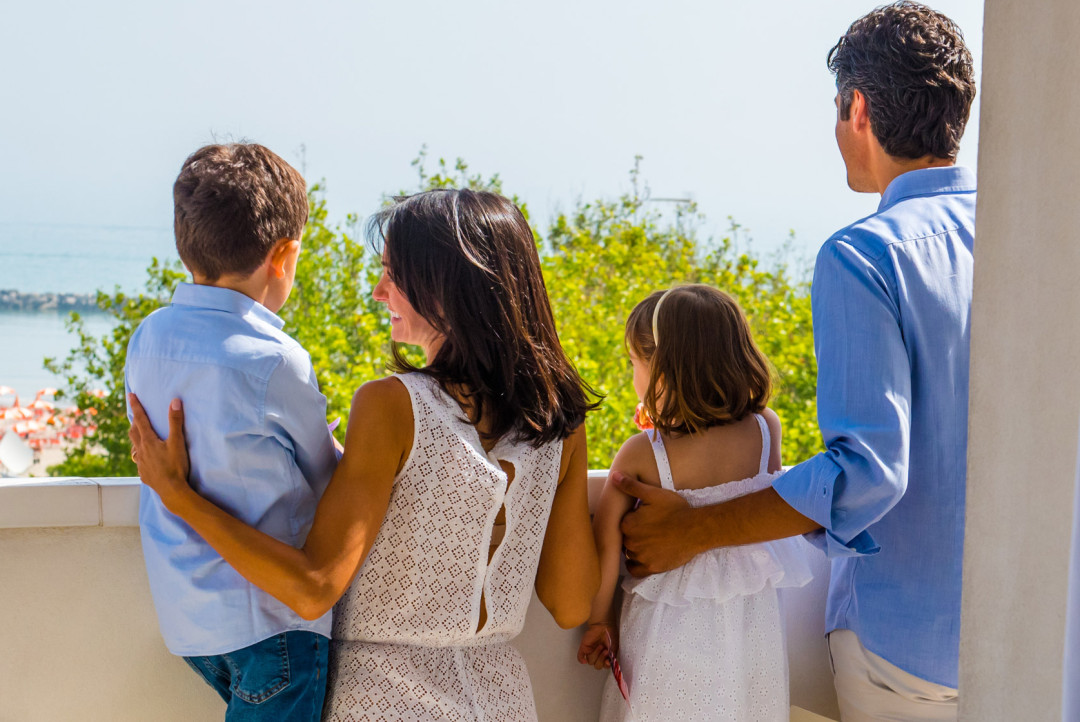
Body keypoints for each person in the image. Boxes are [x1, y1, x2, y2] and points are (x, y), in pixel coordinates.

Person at [613, 3, 977, 720]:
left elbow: (869, 470)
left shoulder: (867, 255)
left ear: (858, 108)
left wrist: (699, 527)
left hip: (909, 655)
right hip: (1038, 633)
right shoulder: (1042, 241)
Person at [128, 188, 601, 721]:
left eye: (392, 275)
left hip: (383, 699)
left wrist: (179, 496)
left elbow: (312, 590)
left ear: (444, 287)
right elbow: (571, 604)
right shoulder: (562, 424)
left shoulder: (390, 405)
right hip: (499, 703)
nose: (379, 292)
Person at [125, 143, 339, 720]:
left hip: (192, 623)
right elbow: (330, 478)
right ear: (284, 254)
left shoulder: (149, 338)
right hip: (272, 623)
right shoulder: (274, 359)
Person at [576, 286, 813, 721]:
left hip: (669, 631)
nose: (633, 374)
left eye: (635, 363)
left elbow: (606, 542)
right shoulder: (765, 429)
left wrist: (599, 621)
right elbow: (768, 504)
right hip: (750, 629)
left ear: (662, 372)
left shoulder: (643, 454)